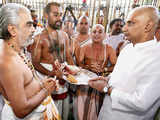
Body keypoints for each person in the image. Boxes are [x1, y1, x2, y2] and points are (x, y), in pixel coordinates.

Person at [89, 5, 160, 120]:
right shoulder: (128, 47)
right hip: (107, 113)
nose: (124, 29)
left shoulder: (156, 58)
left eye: (131, 23)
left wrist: (107, 89)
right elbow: (122, 75)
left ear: (148, 26)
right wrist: (107, 79)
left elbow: (141, 103)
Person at [0, 3, 60, 120]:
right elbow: (21, 110)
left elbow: (24, 83)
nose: (33, 29)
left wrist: (41, 83)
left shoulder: (14, 46)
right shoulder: (9, 62)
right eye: (28, 25)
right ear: (12, 30)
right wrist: (46, 90)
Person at [31, 2, 73, 120]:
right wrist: (53, 73)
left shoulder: (64, 35)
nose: (59, 18)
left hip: (63, 79)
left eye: (60, 15)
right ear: (46, 15)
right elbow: (35, 63)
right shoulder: (39, 38)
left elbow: (68, 56)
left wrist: (75, 71)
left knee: (63, 114)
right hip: (48, 81)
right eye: (55, 15)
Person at [74, 24, 117, 120]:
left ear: (105, 35)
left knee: (96, 111)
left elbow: (116, 66)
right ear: (90, 34)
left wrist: (104, 69)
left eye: (100, 32)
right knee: (81, 111)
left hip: (100, 83)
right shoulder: (84, 48)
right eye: (94, 32)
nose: (96, 34)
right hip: (85, 82)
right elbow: (79, 65)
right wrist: (88, 67)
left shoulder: (109, 49)